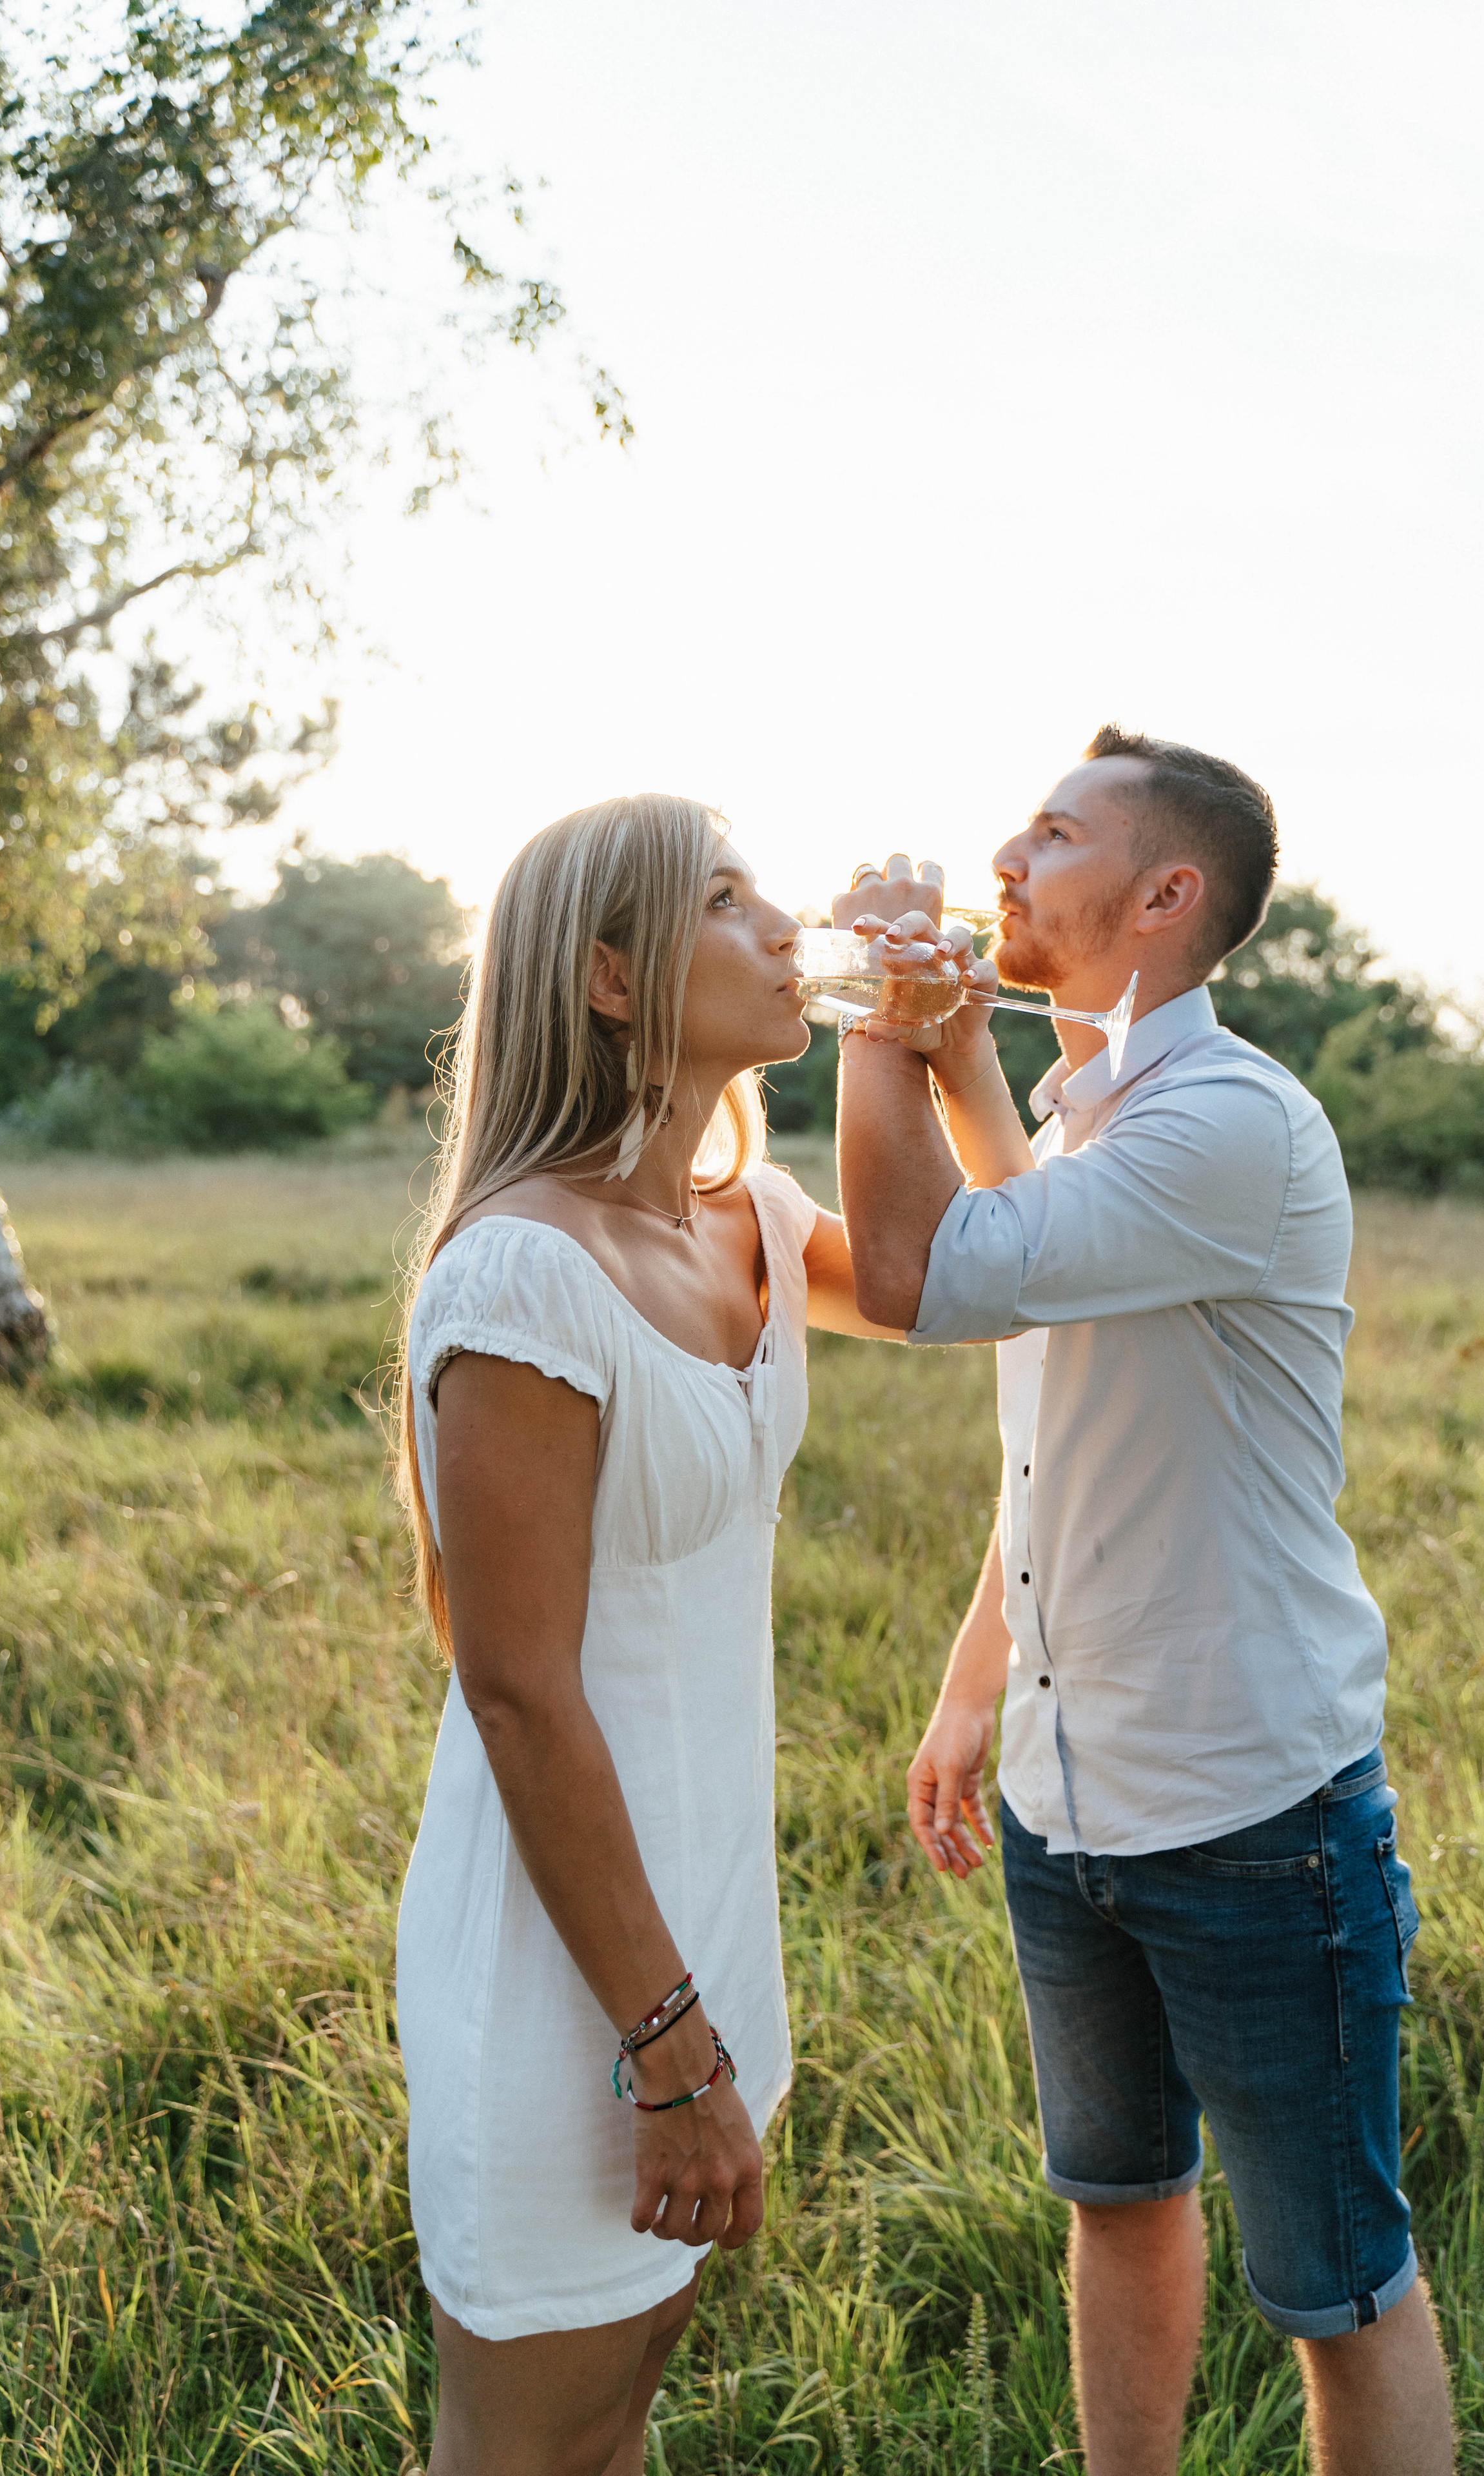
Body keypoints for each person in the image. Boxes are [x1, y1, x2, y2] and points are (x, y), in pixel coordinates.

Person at [832, 725, 1455, 2476]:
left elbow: (909, 1274)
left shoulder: (1226, 1124)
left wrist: (891, 1017)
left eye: (1051, 832)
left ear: (1166, 896)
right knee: (1116, 2202)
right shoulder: (1088, 1117)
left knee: (1338, 2283)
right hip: (1066, 1790)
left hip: (1248, 1805)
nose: (1003, 858)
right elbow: (1060, 1415)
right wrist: (978, 1676)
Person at [393, 793, 895, 2476]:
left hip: (711, 1933)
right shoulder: (525, 1274)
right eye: (730, 901)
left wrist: (912, 1026)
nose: (785, 927)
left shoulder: (750, 1219)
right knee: (525, 2444)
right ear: (610, 980)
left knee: (619, 2423)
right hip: (577, 1991)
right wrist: (667, 2050)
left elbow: (938, 1277)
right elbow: (520, 1690)